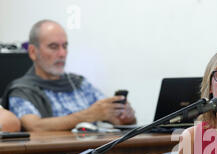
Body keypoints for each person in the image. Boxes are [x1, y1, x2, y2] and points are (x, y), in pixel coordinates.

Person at [2, 19, 136, 132]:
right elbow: (34, 126)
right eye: (54, 47)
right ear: (32, 52)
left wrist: (123, 115)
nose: (62, 53)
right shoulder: (22, 90)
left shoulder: (79, 83)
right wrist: (88, 115)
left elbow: (111, 116)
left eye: (65, 46)